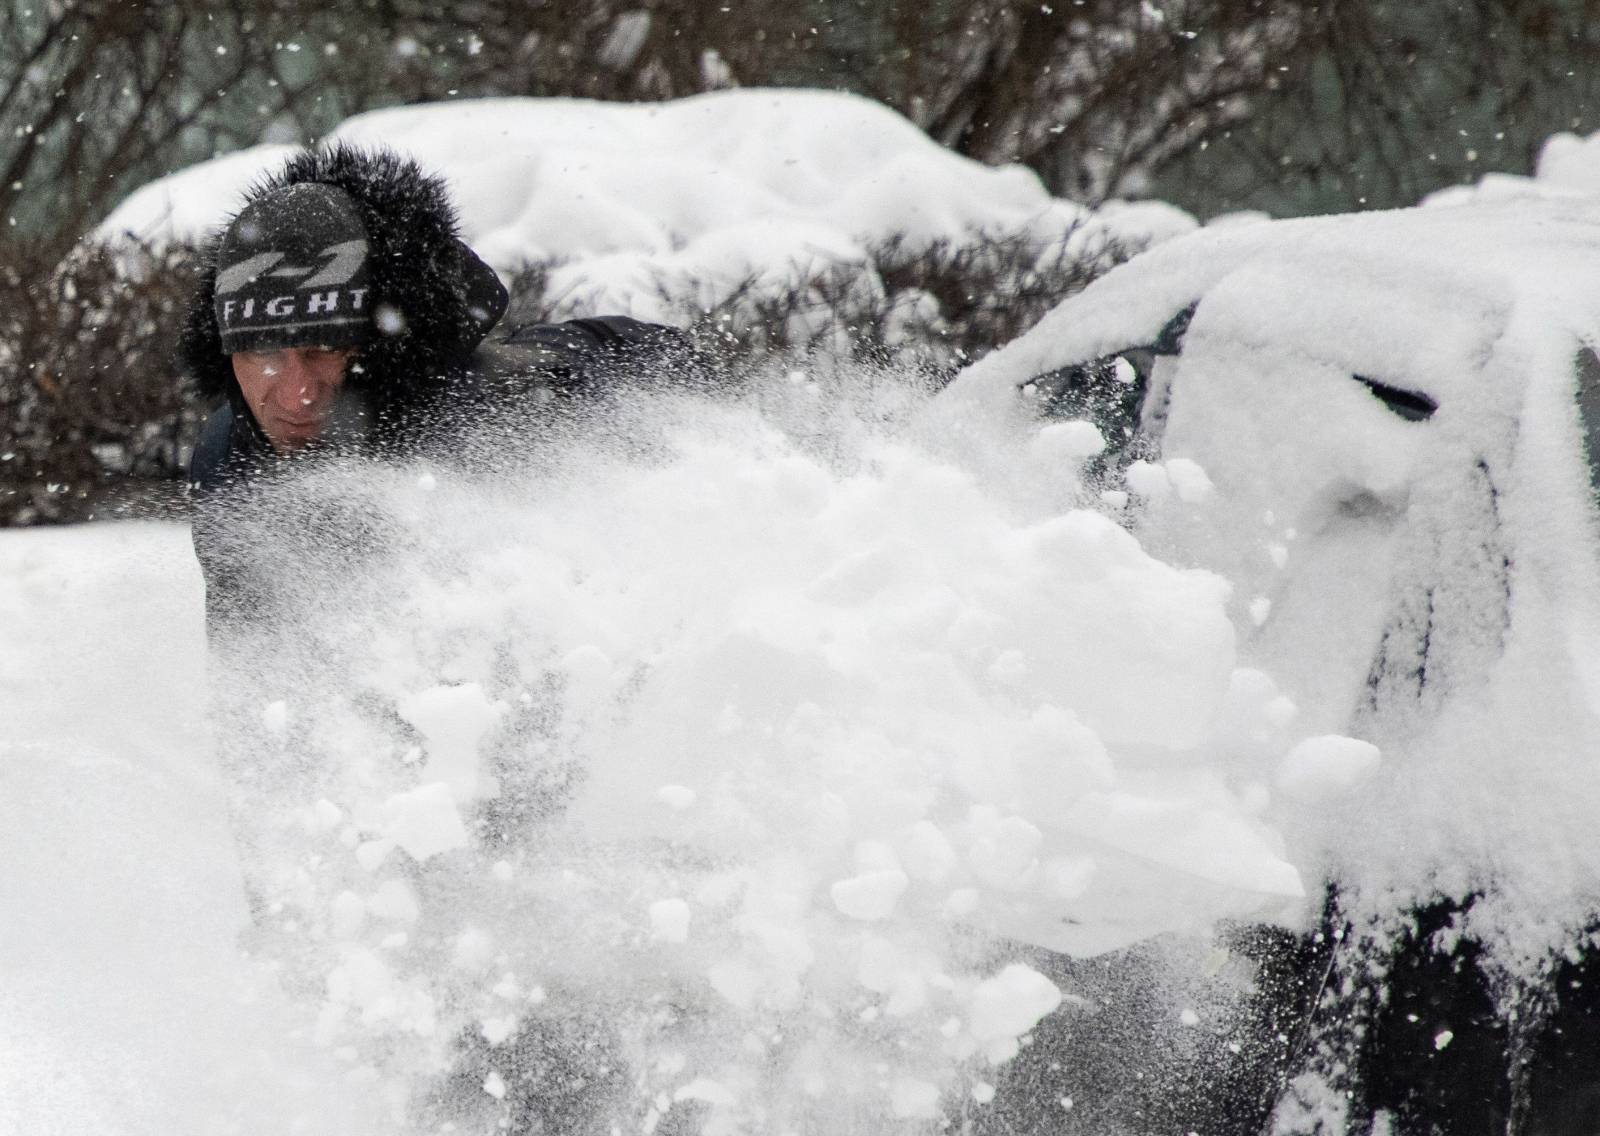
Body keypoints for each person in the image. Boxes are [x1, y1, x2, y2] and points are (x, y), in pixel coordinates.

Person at [180, 142, 693, 627]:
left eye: (326, 350)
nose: (297, 394)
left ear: (376, 348)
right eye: (264, 353)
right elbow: (253, 688)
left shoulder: (499, 426)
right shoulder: (228, 460)